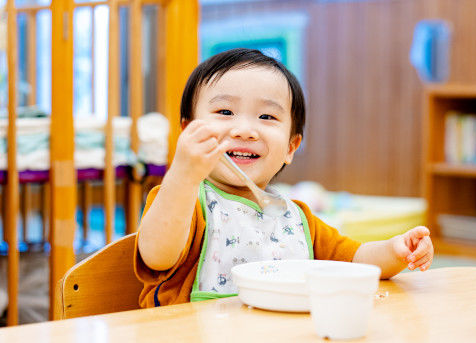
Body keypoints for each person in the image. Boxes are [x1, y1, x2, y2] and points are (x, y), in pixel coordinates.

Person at [134, 48, 434, 308]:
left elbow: (356, 260)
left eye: (267, 117)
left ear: (291, 147)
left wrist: (395, 250)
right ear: (188, 132)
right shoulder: (184, 201)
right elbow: (157, 255)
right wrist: (183, 175)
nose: (245, 130)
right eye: (225, 111)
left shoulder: (296, 219)